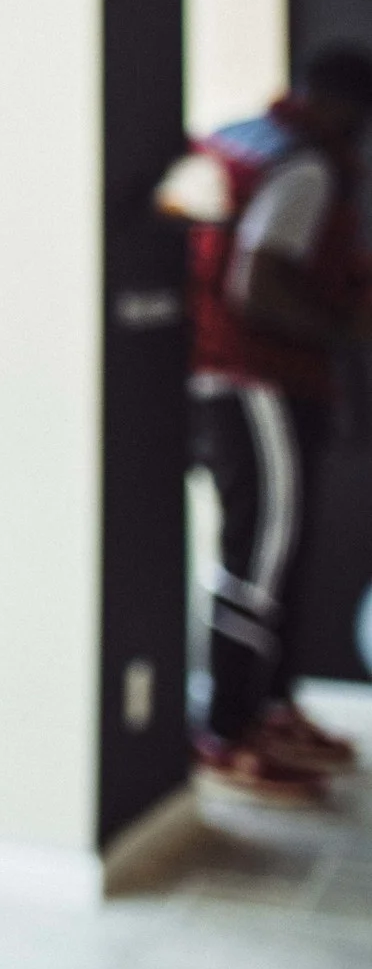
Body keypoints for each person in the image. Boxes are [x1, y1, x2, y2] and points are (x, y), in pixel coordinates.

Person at [165, 44, 372, 803]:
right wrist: (346, 326)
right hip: (255, 379)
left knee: (270, 551)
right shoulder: (308, 167)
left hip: (226, 373)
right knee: (259, 556)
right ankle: (228, 728)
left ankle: (271, 710)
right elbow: (259, 287)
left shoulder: (244, 138)